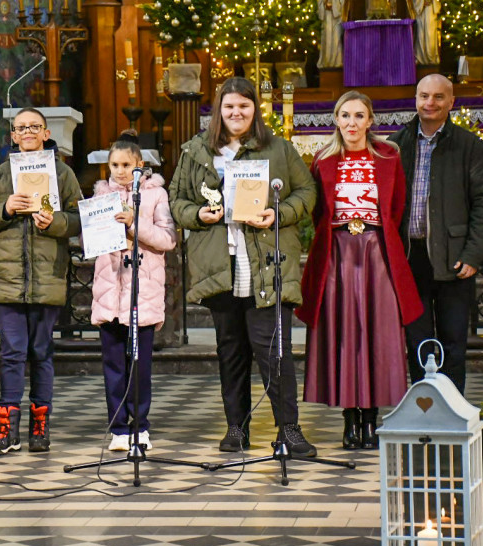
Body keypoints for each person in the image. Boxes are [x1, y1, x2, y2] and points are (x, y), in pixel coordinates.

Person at [169, 76, 317, 457]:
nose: (236, 113)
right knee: (230, 350)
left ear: (256, 110)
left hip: (265, 262)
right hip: (220, 262)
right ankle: (236, 428)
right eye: (229, 106)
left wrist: (277, 212)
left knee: (275, 352)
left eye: (244, 106)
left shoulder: (279, 149)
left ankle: (290, 430)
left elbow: (307, 193)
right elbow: (176, 201)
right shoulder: (196, 151)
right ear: (218, 109)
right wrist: (198, 214)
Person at [297, 92, 422, 451]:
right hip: (337, 252)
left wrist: (373, 237)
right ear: (335, 120)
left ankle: (372, 418)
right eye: (345, 115)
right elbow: (318, 212)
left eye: (359, 116)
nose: (351, 123)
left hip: (376, 251)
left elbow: (396, 208)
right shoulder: (322, 160)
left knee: (376, 332)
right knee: (344, 334)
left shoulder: (388, 156)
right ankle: (350, 420)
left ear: (370, 120)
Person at [0, 108, 82, 455]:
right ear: (14, 136)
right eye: (22, 128)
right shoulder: (1, 175)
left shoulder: (62, 173)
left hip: (47, 275)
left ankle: (40, 424)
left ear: (46, 134)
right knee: (11, 354)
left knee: (41, 352)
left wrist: (55, 223)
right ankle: (7, 428)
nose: (29, 132)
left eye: (35, 127)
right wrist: (5, 208)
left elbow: (80, 218)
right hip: (8, 278)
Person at [389, 75, 483, 393]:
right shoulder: (397, 143)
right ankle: (423, 407)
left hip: (455, 257)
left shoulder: (470, 146)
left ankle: (452, 412)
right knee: (417, 341)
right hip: (411, 258)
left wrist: (474, 253)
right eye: (424, 96)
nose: (430, 103)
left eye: (438, 97)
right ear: (416, 99)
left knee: (452, 343)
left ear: (451, 102)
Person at [91, 131, 176, 451]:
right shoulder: (101, 195)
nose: (119, 170)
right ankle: (118, 428)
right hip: (110, 290)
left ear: (140, 165)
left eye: (126, 164)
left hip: (142, 291)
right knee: (113, 363)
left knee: (139, 364)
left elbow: (167, 239)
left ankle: (140, 425)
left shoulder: (155, 195)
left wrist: (133, 223)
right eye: (114, 164)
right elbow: (92, 241)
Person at [404, 0, 442, 66]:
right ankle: (421, 59)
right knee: (421, 34)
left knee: (430, 34)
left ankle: (432, 59)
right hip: (421, 12)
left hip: (431, 11)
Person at [316, 0, 346, 69]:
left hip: (336, 17)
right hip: (327, 17)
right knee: (327, 40)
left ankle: (337, 63)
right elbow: (320, 4)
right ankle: (326, 63)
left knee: (336, 39)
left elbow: (341, 2)